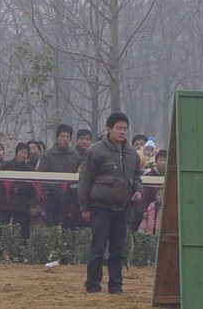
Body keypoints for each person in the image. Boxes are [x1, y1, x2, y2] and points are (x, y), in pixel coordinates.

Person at [79, 112, 143, 294]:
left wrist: (138, 191)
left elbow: (137, 177)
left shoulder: (132, 153)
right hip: (100, 208)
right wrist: (84, 206)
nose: (122, 132)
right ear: (109, 129)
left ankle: (116, 285)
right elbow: (85, 180)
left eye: (125, 129)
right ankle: (92, 285)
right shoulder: (95, 151)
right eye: (118, 128)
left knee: (118, 250)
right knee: (98, 248)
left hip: (123, 209)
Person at [0, 142, 36, 254]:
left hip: (22, 204)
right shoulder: (5, 167)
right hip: (5, 203)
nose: (23, 155)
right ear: (16, 152)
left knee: (22, 230)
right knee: (0, 229)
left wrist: (20, 189)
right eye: (22, 152)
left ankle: (20, 254)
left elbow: (32, 185)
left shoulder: (30, 169)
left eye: (26, 153)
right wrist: (12, 188)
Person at [37, 124, 81, 227]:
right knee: (51, 226)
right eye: (62, 136)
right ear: (57, 138)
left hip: (70, 197)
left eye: (67, 137)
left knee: (69, 227)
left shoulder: (75, 155)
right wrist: (47, 193)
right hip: (52, 197)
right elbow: (40, 177)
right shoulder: (47, 155)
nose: (65, 139)